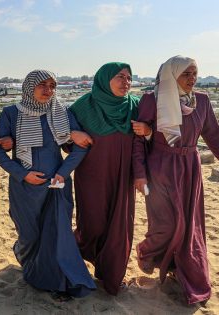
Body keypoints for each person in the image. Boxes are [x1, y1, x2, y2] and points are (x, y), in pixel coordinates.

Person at [132, 55, 219, 305]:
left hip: (189, 168)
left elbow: (215, 138)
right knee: (167, 224)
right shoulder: (152, 100)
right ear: (171, 75)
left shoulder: (202, 102)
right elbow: (139, 141)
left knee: (188, 226)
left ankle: (184, 272)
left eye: (194, 73)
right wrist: (139, 175)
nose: (192, 79)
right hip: (160, 167)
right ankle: (147, 252)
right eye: (186, 74)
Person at [0, 70, 96, 302]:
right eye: (42, 85)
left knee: (58, 235)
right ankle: (27, 261)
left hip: (56, 186)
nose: (48, 90)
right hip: (24, 188)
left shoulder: (61, 113)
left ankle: (57, 282)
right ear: (29, 87)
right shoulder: (11, 114)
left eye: (52, 85)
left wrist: (62, 173)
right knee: (29, 236)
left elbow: (81, 146)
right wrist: (22, 174)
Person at [69, 62, 140, 295]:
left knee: (120, 226)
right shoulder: (83, 106)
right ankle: (79, 259)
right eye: (120, 77)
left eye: (129, 78)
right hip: (92, 176)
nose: (126, 82)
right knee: (93, 224)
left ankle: (111, 274)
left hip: (124, 177)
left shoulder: (135, 106)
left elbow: (148, 140)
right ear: (104, 79)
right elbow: (60, 136)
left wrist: (147, 131)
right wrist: (71, 133)